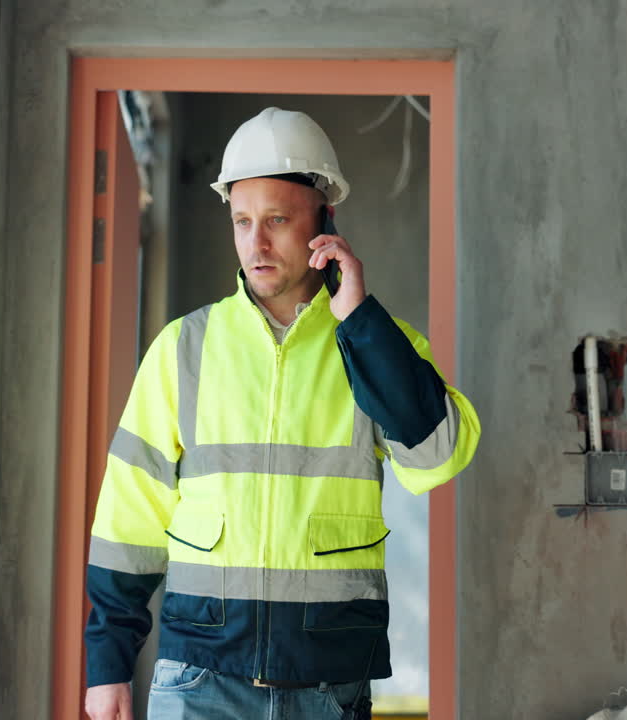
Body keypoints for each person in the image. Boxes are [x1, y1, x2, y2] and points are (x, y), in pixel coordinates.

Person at [82, 107, 480, 720]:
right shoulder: (184, 348)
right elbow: (128, 521)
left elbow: (438, 457)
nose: (256, 243)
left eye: (276, 220)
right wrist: (108, 662)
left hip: (329, 683)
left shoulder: (376, 344)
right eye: (242, 221)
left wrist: (361, 323)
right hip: (200, 678)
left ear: (324, 224)